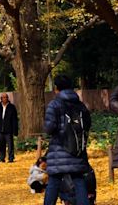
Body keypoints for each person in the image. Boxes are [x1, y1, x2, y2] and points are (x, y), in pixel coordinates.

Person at [43, 75, 91, 205]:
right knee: (79, 180)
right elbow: (87, 124)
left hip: (58, 149)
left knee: (53, 183)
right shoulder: (80, 104)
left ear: (56, 88)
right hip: (77, 149)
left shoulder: (54, 104)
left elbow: (49, 128)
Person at [0, 92, 18, 163]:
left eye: (6, 97)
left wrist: (15, 130)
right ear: (1, 99)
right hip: (0, 129)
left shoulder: (12, 107)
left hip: (9, 130)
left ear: (8, 98)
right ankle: (2, 158)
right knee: (1, 145)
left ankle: (11, 158)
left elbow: (15, 120)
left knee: (10, 144)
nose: (5, 99)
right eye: (3, 97)